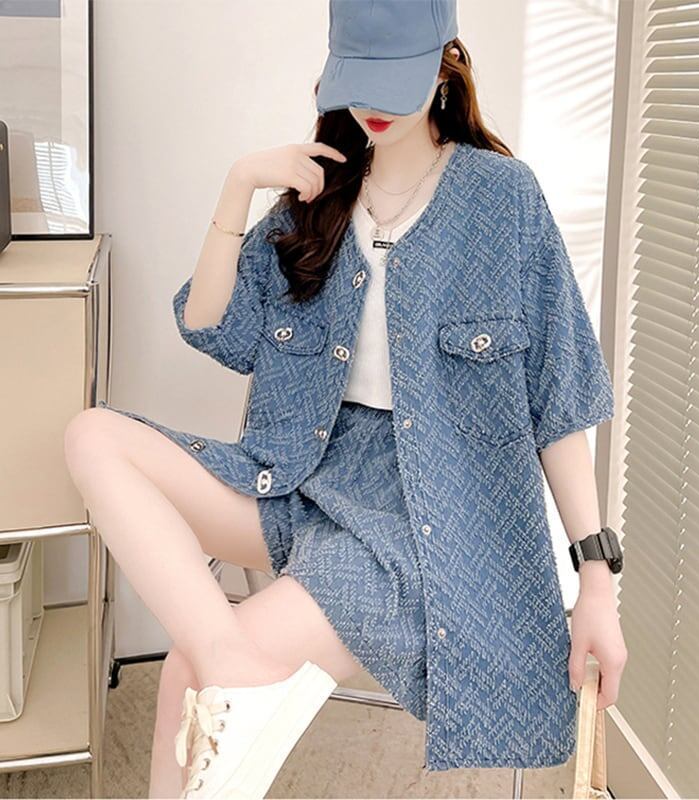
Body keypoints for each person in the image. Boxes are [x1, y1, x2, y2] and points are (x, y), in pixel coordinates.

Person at [63, 0, 627, 797]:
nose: (373, 106)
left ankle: (219, 661)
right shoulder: (320, 196)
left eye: (395, 79)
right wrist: (240, 184)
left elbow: (558, 401)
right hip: (296, 479)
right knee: (92, 436)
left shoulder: (503, 201)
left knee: (185, 673)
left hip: (418, 514)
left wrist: (596, 580)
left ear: (444, 67)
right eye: (358, 79)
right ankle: (229, 657)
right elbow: (211, 326)